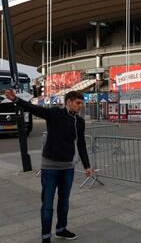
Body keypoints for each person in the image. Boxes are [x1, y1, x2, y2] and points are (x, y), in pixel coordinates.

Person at [5, 89, 93, 243]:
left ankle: (61, 230)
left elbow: (81, 144)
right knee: (47, 204)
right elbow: (34, 108)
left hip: (68, 168)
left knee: (64, 202)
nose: (80, 106)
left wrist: (87, 165)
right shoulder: (54, 114)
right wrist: (16, 99)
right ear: (69, 102)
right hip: (50, 167)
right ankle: (46, 237)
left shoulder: (80, 121)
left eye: (82, 103)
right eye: (78, 103)